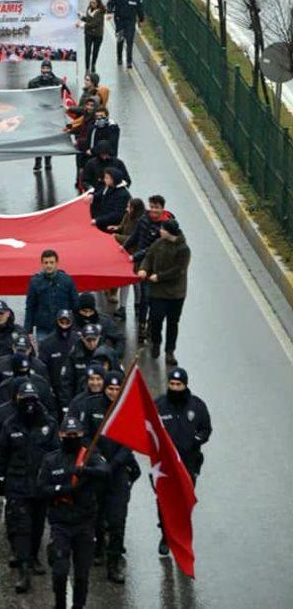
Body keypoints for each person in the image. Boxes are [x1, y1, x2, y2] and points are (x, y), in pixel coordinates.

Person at [38, 413, 111, 609]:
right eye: (68, 434)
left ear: (82, 434)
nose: (72, 437)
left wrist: (85, 471)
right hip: (60, 523)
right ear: (60, 435)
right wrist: (63, 489)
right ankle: (60, 604)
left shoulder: (89, 456)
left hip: (84, 523)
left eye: (76, 434)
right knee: (60, 572)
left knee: (82, 575)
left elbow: (105, 471)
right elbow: (42, 488)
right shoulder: (51, 460)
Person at [0, 382, 58, 593]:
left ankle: (33, 557)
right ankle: (23, 570)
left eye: (32, 400)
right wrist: (0, 478)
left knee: (38, 525)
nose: (29, 405)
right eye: (25, 400)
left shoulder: (48, 424)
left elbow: (56, 453)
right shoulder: (11, 424)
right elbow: (2, 453)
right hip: (18, 484)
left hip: (40, 486)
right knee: (21, 526)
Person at [83, 371, 141, 583]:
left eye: (118, 389)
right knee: (96, 515)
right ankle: (98, 549)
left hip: (118, 473)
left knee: (117, 521)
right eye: (110, 389)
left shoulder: (128, 409)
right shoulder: (91, 406)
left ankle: (114, 563)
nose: (113, 393)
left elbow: (130, 442)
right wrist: (97, 459)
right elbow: (86, 436)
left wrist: (114, 464)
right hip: (97, 471)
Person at [155, 367, 211, 555]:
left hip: (188, 463)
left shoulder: (197, 406)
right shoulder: (159, 405)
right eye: (172, 384)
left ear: (185, 385)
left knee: (184, 501)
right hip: (164, 465)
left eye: (178, 384)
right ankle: (165, 534)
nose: (175, 387)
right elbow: (148, 427)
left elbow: (206, 429)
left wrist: (194, 440)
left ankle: (180, 535)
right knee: (164, 501)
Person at [123, 194, 175, 342]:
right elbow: (135, 236)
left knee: (155, 299)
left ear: (162, 208)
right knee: (145, 297)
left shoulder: (166, 227)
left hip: (157, 266)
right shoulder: (144, 219)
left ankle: (152, 326)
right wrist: (123, 247)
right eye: (151, 206)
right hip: (143, 265)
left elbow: (153, 249)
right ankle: (142, 326)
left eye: (156, 207)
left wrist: (135, 256)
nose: (153, 210)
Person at [139, 218, 190, 364]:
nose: (160, 231)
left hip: (175, 293)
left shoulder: (183, 249)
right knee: (156, 318)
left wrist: (159, 277)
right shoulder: (158, 243)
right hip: (158, 292)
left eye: (163, 229)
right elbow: (149, 256)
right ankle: (156, 342)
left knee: (172, 323)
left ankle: (169, 351)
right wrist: (143, 268)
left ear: (169, 232)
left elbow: (179, 270)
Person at [24, 250, 79, 348]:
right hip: (43, 328)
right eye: (46, 263)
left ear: (57, 263)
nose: (49, 265)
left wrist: (76, 327)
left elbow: (75, 304)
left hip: (64, 326)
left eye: (51, 262)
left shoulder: (67, 280)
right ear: (42, 264)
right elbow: (30, 307)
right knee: (44, 357)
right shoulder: (35, 282)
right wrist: (28, 331)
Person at [108, 196, 145, 320]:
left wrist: (116, 236)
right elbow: (122, 227)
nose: (127, 209)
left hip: (135, 254)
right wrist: (117, 228)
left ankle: (138, 305)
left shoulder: (141, 222)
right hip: (124, 252)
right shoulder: (127, 216)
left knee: (135, 282)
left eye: (129, 207)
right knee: (125, 281)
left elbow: (132, 238)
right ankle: (123, 307)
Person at [37, 309, 79, 415]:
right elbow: (42, 368)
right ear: (57, 321)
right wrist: (48, 388)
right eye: (62, 321)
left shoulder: (78, 340)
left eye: (67, 321)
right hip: (54, 390)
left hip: (74, 388)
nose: (64, 324)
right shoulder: (46, 343)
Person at [27, 59, 63, 172]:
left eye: (47, 68)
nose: (45, 70)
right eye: (44, 68)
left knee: (48, 139)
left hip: (51, 115)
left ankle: (48, 161)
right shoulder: (33, 82)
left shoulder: (58, 82)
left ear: (51, 69)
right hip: (38, 114)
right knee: (38, 139)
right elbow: (28, 97)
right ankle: (37, 162)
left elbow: (63, 98)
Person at [106, 0, 144, 69]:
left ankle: (129, 61)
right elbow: (110, 3)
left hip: (130, 21)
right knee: (120, 40)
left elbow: (140, 8)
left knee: (130, 40)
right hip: (119, 21)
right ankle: (119, 57)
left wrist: (141, 20)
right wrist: (109, 12)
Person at [90, 167, 131, 231]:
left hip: (113, 224)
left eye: (107, 178)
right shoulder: (108, 187)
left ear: (113, 179)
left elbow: (118, 214)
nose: (104, 179)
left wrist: (98, 220)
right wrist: (92, 196)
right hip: (103, 220)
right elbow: (100, 195)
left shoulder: (122, 194)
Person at [79, 0, 105, 72]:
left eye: (93, 3)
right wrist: (82, 17)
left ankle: (93, 64)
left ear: (98, 3)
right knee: (87, 51)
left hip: (98, 35)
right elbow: (88, 19)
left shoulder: (100, 12)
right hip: (88, 34)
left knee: (95, 51)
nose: (91, 4)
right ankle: (87, 67)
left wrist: (83, 25)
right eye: (91, 2)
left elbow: (94, 23)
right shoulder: (89, 9)